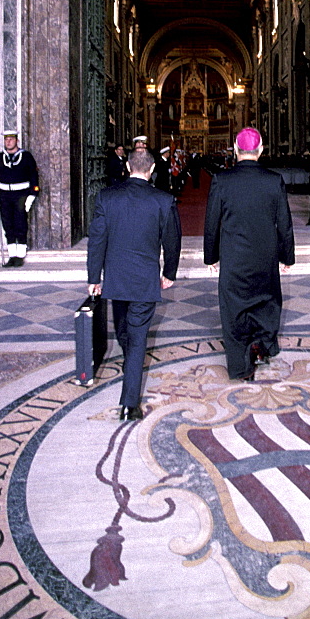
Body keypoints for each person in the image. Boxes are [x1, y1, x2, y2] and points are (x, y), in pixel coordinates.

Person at [87, 148, 181, 420]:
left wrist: (94, 277)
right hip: (144, 279)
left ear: (128, 166)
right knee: (137, 336)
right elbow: (172, 241)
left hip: (116, 279)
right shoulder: (163, 200)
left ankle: (129, 376)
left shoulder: (107, 197)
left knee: (124, 330)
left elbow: (97, 241)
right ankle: (130, 405)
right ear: (151, 170)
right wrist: (169, 273)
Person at [204, 127, 295, 382]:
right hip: (265, 256)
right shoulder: (273, 180)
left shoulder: (222, 180)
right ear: (261, 149)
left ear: (235, 149)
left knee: (234, 309)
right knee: (266, 303)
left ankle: (239, 366)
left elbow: (211, 224)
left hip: (234, 258)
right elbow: (284, 224)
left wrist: (210, 258)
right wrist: (287, 257)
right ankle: (264, 346)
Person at [0, 130, 39, 267]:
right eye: (6, 140)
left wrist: (32, 195)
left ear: (16, 140)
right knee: (8, 224)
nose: (8, 142)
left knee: (20, 224)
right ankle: (12, 254)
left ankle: (20, 255)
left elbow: (33, 175)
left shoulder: (26, 156)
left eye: (11, 139)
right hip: (4, 195)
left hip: (20, 195)